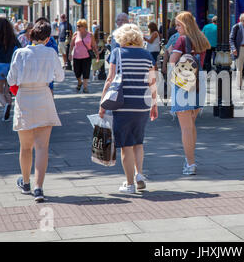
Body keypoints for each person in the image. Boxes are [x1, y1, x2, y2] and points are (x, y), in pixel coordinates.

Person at [7, 20, 64, 203]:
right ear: (47, 38)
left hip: (24, 98)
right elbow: (60, 77)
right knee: (42, 147)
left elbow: (11, 79)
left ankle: (25, 182)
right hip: (43, 96)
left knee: (25, 147)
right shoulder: (50, 53)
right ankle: (39, 187)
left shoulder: (20, 53)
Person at [99, 23, 158, 194]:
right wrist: (154, 104)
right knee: (138, 142)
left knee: (126, 145)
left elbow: (109, 79)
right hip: (142, 104)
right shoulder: (147, 55)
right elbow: (152, 82)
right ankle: (139, 174)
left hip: (123, 104)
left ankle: (129, 184)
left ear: (121, 38)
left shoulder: (117, 53)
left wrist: (102, 104)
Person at [168, 11, 210, 175]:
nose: (176, 28)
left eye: (178, 25)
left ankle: (190, 163)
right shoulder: (201, 39)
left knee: (185, 128)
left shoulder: (182, 40)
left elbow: (172, 63)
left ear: (185, 25)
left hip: (184, 84)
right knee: (191, 125)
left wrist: (172, 51)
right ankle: (190, 160)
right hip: (199, 82)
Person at [0, 17, 20, 121]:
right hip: (11, 66)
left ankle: (5, 105)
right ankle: (8, 109)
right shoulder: (13, 38)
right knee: (8, 91)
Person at [69, 19, 99, 93]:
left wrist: (97, 54)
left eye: (79, 26)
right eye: (77, 26)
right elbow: (71, 45)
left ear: (84, 26)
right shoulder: (75, 34)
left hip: (86, 57)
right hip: (76, 56)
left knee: (86, 72)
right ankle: (79, 82)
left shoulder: (90, 35)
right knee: (77, 72)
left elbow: (94, 45)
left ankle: (85, 87)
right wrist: (70, 54)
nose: (78, 27)